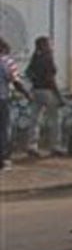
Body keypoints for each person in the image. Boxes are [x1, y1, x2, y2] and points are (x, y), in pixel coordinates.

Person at [26, 36, 65, 157]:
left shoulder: (35, 57)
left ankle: (32, 145)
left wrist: (34, 81)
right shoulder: (48, 58)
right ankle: (55, 145)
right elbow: (50, 79)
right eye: (49, 44)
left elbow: (28, 72)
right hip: (48, 90)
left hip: (36, 90)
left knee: (35, 118)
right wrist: (59, 95)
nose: (51, 46)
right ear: (43, 45)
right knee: (55, 118)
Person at [1, 38, 31, 171]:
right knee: (4, 129)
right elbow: (16, 81)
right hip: (2, 98)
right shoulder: (7, 61)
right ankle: (4, 159)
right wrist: (27, 94)